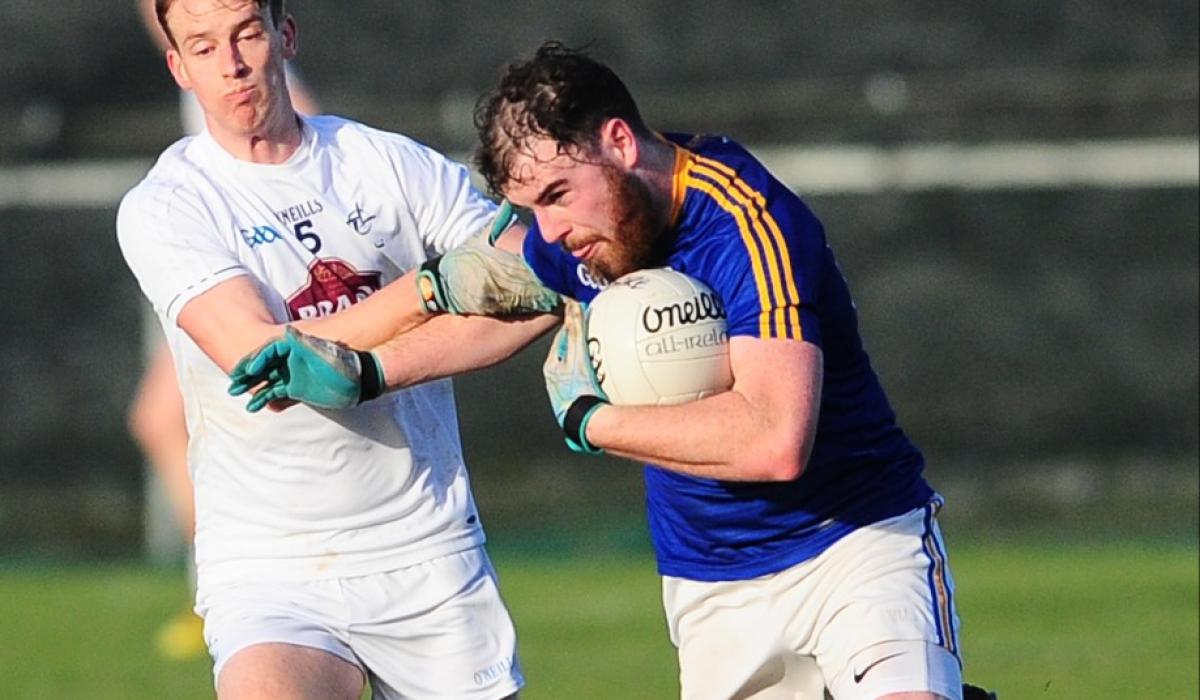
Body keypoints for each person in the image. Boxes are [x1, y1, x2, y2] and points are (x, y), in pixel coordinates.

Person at [232, 42, 1001, 700]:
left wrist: (592, 421)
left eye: (557, 195)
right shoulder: (589, 231)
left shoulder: (748, 225)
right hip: (711, 585)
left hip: (852, 545)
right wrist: (360, 365)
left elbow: (774, 440)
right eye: (532, 208)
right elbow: (491, 300)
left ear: (621, 143)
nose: (551, 230)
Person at [117, 1, 555, 697]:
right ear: (178, 66)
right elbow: (260, 360)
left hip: (429, 552)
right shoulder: (167, 204)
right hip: (271, 569)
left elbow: (537, 286)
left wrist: (375, 370)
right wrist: (430, 290)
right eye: (203, 47)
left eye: (247, 34)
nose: (231, 64)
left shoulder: (388, 163)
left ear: (285, 35)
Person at [131, 0, 321, 662]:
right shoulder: (199, 61)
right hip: (222, 281)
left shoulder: (252, 80)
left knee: (177, 418)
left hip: (266, 286)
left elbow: (307, 151)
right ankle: (224, 586)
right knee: (161, 420)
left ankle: (240, 583)